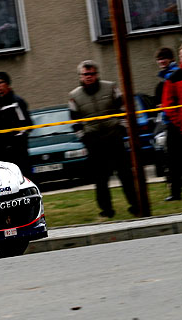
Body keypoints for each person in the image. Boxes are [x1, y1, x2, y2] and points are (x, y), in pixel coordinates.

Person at [69, 60, 138, 217]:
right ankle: (106, 210)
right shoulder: (74, 96)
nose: (89, 77)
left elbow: (123, 109)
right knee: (100, 179)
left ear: (97, 74)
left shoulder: (111, 87)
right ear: (80, 76)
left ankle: (136, 205)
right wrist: (85, 138)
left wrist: (121, 130)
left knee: (125, 175)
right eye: (86, 74)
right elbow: (74, 121)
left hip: (114, 137)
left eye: (92, 74)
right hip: (94, 141)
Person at [0, 71, 32, 176]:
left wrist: (16, 141)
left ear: (7, 84)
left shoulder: (17, 102)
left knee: (23, 176)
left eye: (0, 82)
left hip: (17, 150)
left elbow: (27, 125)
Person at [162, 45, 182, 201]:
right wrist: (179, 122)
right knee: (174, 160)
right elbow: (168, 104)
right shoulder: (173, 78)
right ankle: (175, 192)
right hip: (176, 126)